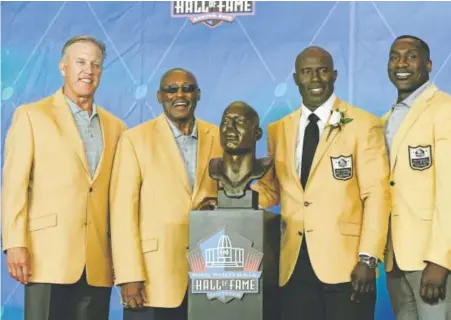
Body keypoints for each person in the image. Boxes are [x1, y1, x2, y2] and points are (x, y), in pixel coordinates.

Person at [252, 46, 391, 320]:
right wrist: (230, 203)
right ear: (296, 79)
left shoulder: (364, 124)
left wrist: (368, 258)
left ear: (334, 75)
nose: (315, 78)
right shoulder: (278, 130)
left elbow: (377, 195)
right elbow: (271, 190)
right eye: (307, 72)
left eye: (322, 70)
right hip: (293, 265)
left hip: (348, 264)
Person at [1, 35, 126, 320]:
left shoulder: (117, 127)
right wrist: (14, 243)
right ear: (63, 67)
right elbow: (14, 186)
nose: (88, 70)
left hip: (98, 261)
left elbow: (117, 197)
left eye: (95, 65)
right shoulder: (32, 115)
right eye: (80, 62)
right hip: (46, 257)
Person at [109, 68, 223, 319]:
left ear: (198, 94)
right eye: (171, 89)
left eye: (187, 88)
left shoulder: (220, 136)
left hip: (212, 275)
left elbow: (246, 192)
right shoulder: (134, 139)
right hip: (153, 279)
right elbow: (122, 214)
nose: (179, 94)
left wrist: (223, 204)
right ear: (160, 96)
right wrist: (129, 275)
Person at [381, 35, 451, 320]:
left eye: (411, 56)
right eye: (394, 56)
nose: (401, 63)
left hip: (433, 262)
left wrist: (440, 260)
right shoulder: (385, 120)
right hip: (396, 260)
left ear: (429, 64)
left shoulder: (450, 111)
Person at [209, 100, 272, 198]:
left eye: (240, 121)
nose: (230, 126)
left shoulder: (264, 167)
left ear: (257, 134)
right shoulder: (214, 168)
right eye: (226, 121)